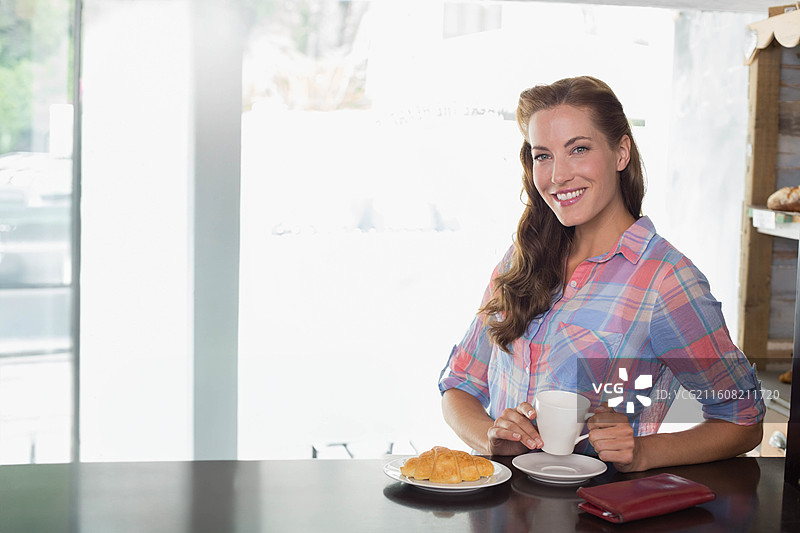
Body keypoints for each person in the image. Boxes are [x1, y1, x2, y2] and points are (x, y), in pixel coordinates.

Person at [438, 76, 764, 472]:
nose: (558, 175)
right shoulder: (520, 260)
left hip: (593, 515)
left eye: (578, 149)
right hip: (500, 514)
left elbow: (742, 419)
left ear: (621, 152)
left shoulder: (666, 280)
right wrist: (491, 436)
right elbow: (459, 386)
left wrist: (644, 452)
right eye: (543, 155)